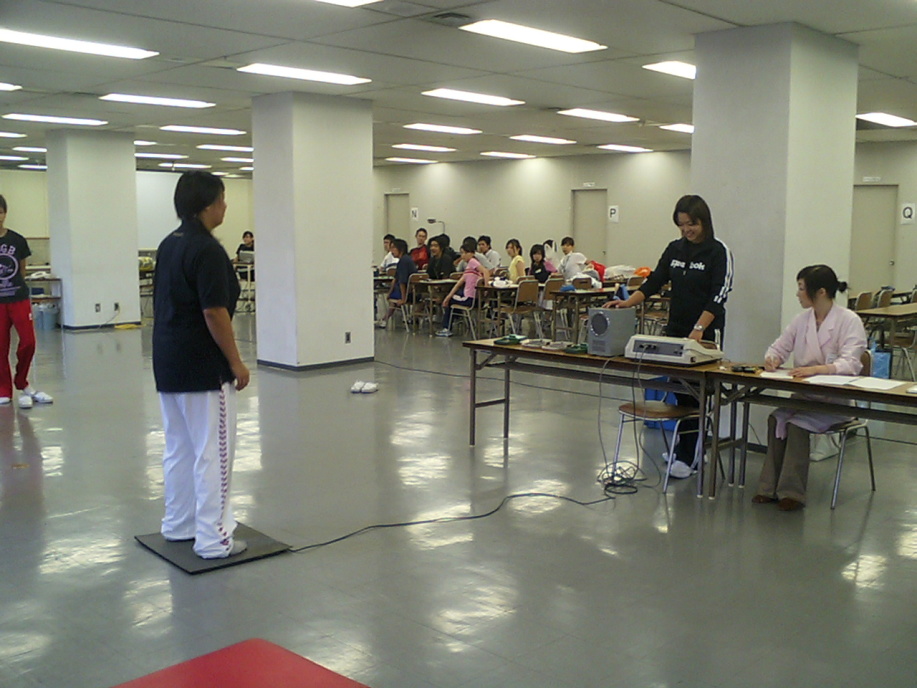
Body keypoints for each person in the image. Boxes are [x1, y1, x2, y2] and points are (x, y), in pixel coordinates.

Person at [153, 171, 249, 559]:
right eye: (222, 199)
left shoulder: (169, 244)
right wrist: (236, 362)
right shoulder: (207, 250)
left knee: (179, 448)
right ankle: (214, 538)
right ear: (207, 205)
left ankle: (179, 523)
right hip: (203, 368)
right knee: (214, 453)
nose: (225, 206)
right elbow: (214, 311)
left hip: (169, 361)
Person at [604, 194, 734, 479]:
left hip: (704, 335)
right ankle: (685, 449)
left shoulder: (718, 252)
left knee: (696, 395)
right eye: (681, 225)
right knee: (679, 392)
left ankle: (689, 456)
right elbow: (654, 281)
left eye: (692, 224)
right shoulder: (675, 249)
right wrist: (627, 303)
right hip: (676, 331)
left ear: (704, 221)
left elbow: (719, 295)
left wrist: (698, 330)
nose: (686, 230)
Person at [753, 265, 867, 511]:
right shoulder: (801, 320)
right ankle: (768, 488)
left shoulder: (849, 321)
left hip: (834, 402)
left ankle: (791, 493)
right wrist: (772, 359)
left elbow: (851, 363)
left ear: (821, 292)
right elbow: (779, 347)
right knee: (776, 419)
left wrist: (817, 369)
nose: (798, 294)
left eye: (802, 288)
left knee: (796, 426)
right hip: (802, 396)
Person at [0, 194, 53, 410]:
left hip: (18, 299)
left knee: (29, 342)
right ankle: (4, 389)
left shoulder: (17, 240)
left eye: (0, 212)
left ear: (5, 214)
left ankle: (22, 382)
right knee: (0, 347)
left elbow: (21, 269)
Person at [436, 237, 492, 337]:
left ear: (471, 253)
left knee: (451, 301)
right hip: (476, 300)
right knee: (453, 298)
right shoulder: (469, 268)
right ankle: (455, 320)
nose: (462, 256)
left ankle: (447, 328)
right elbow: (459, 284)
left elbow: (486, 271)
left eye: (464, 253)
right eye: (462, 253)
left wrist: (486, 287)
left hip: (469, 299)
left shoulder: (473, 262)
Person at [376, 239, 416, 328]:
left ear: (400, 249)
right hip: (411, 292)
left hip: (409, 293)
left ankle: (384, 320)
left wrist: (403, 298)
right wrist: (389, 293)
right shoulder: (405, 259)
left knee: (393, 300)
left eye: (393, 248)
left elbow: (402, 282)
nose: (391, 251)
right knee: (392, 296)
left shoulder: (403, 261)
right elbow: (395, 279)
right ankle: (384, 319)